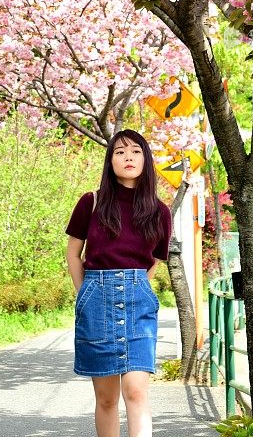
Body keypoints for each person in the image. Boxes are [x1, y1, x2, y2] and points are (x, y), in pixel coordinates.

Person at [65, 129, 172, 437]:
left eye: (136, 151)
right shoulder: (92, 202)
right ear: (110, 160)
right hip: (96, 300)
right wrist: (84, 292)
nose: (128, 157)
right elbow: (73, 253)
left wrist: (139, 286)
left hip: (139, 303)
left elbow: (153, 262)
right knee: (107, 397)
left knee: (137, 391)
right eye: (120, 151)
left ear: (146, 160)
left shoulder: (159, 211)